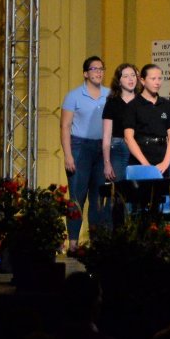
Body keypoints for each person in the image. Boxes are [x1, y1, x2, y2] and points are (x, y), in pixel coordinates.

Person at [58, 56, 109, 247]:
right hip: (80, 147)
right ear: (85, 73)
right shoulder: (74, 95)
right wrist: (68, 154)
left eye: (101, 69)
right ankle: (73, 243)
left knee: (98, 198)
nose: (98, 72)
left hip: (102, 148)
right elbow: (65, 126)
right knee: (77, 196)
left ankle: (96, 242)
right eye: (94, 69)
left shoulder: (109, 94)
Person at [122, 63, 170, 211]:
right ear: (143, 80)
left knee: (163, 205)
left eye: (160, 78)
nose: (157, 82)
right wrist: (146, 164)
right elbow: (128, 137)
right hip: (141, 157)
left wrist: (166, 162)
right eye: (153, 78)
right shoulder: (133, 106)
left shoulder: (166, 104)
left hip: (162, 157)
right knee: (140, 205)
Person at [99, 62, 140, 225]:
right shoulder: (113, 102)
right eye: (126, 76)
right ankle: (120, 232)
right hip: (119, 148)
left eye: (133, 75)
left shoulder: (141, 100)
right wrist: (107, 163)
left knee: (138, 191)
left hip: (138, 148)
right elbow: (107, 136)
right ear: (119, 80)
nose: (130, 79)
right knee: (120, 193)